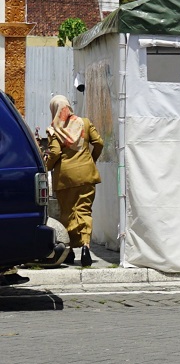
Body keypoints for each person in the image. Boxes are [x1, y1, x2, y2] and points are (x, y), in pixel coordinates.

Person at [45, 95, 103, 267]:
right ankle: (85, 247)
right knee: (84, 210)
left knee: (68, 212)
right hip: (86, 174)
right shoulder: (84, 123)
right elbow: (98, 142)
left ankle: (69, 251)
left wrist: (46, 168)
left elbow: (54, 153)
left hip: (65, 177)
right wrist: (91, 160)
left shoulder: (55, 129)